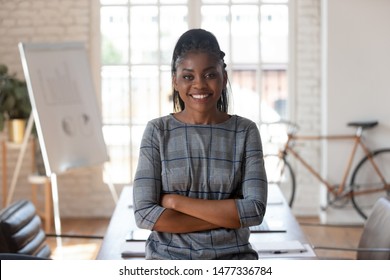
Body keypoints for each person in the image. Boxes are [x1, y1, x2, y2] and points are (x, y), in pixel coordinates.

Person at [133, 28, 267, 260]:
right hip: (167, 261)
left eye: (209, 75)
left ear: (223, 78)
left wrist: (175, 202)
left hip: (233, 260)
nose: (199, 85)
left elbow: (255, 210)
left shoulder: (245, 131)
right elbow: (145, 214)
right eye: (188, 76)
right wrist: (226, 216)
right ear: (175, 81)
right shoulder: (157, 131)